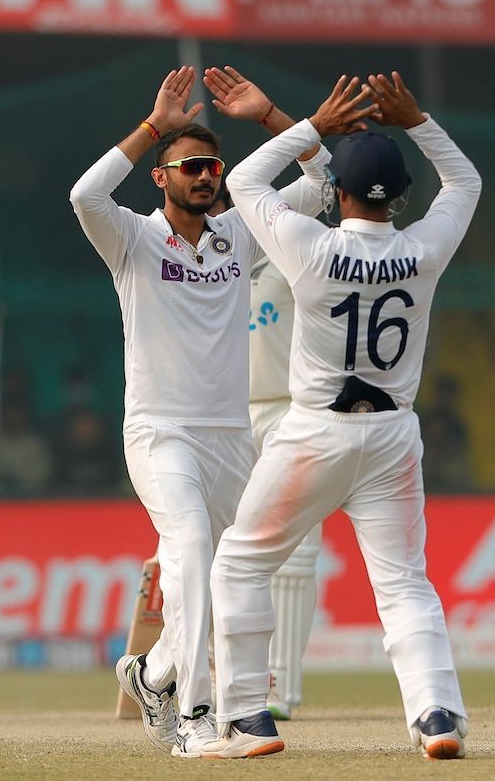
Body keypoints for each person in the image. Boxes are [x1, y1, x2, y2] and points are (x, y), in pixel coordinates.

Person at [202, 69, 480, 760]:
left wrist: (312, 128)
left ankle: (246, 718)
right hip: (392, 435)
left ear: (342, 195)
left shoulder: (311, 247)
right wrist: (418, 121)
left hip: (315, 432)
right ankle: (437, 714)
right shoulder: (423, 249)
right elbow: (466, 183)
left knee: (238, 562)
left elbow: (243, 186)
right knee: (405, 582)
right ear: (402, 198)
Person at [69, 66, 332, 757]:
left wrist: (272, 115)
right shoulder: (130, 239)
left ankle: (152, 675)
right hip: (161, 430)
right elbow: (83, 192)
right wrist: (155, 127)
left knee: (229, 575)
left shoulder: (239, 235)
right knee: (187, 550)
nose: (204, 176)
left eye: (211, 165)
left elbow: (324, 184)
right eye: (188, 167)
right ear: (162, 178)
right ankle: (193, 721)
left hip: (230, 438)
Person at [209, 177, 321, 722]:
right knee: (213, 549)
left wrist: (282, 125)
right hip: (224, 417)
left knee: (295, 557)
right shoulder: (197, 263)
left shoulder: (290, 254)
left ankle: (283, 687)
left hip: (290, 411)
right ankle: (209, 671)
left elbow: (322, 182)